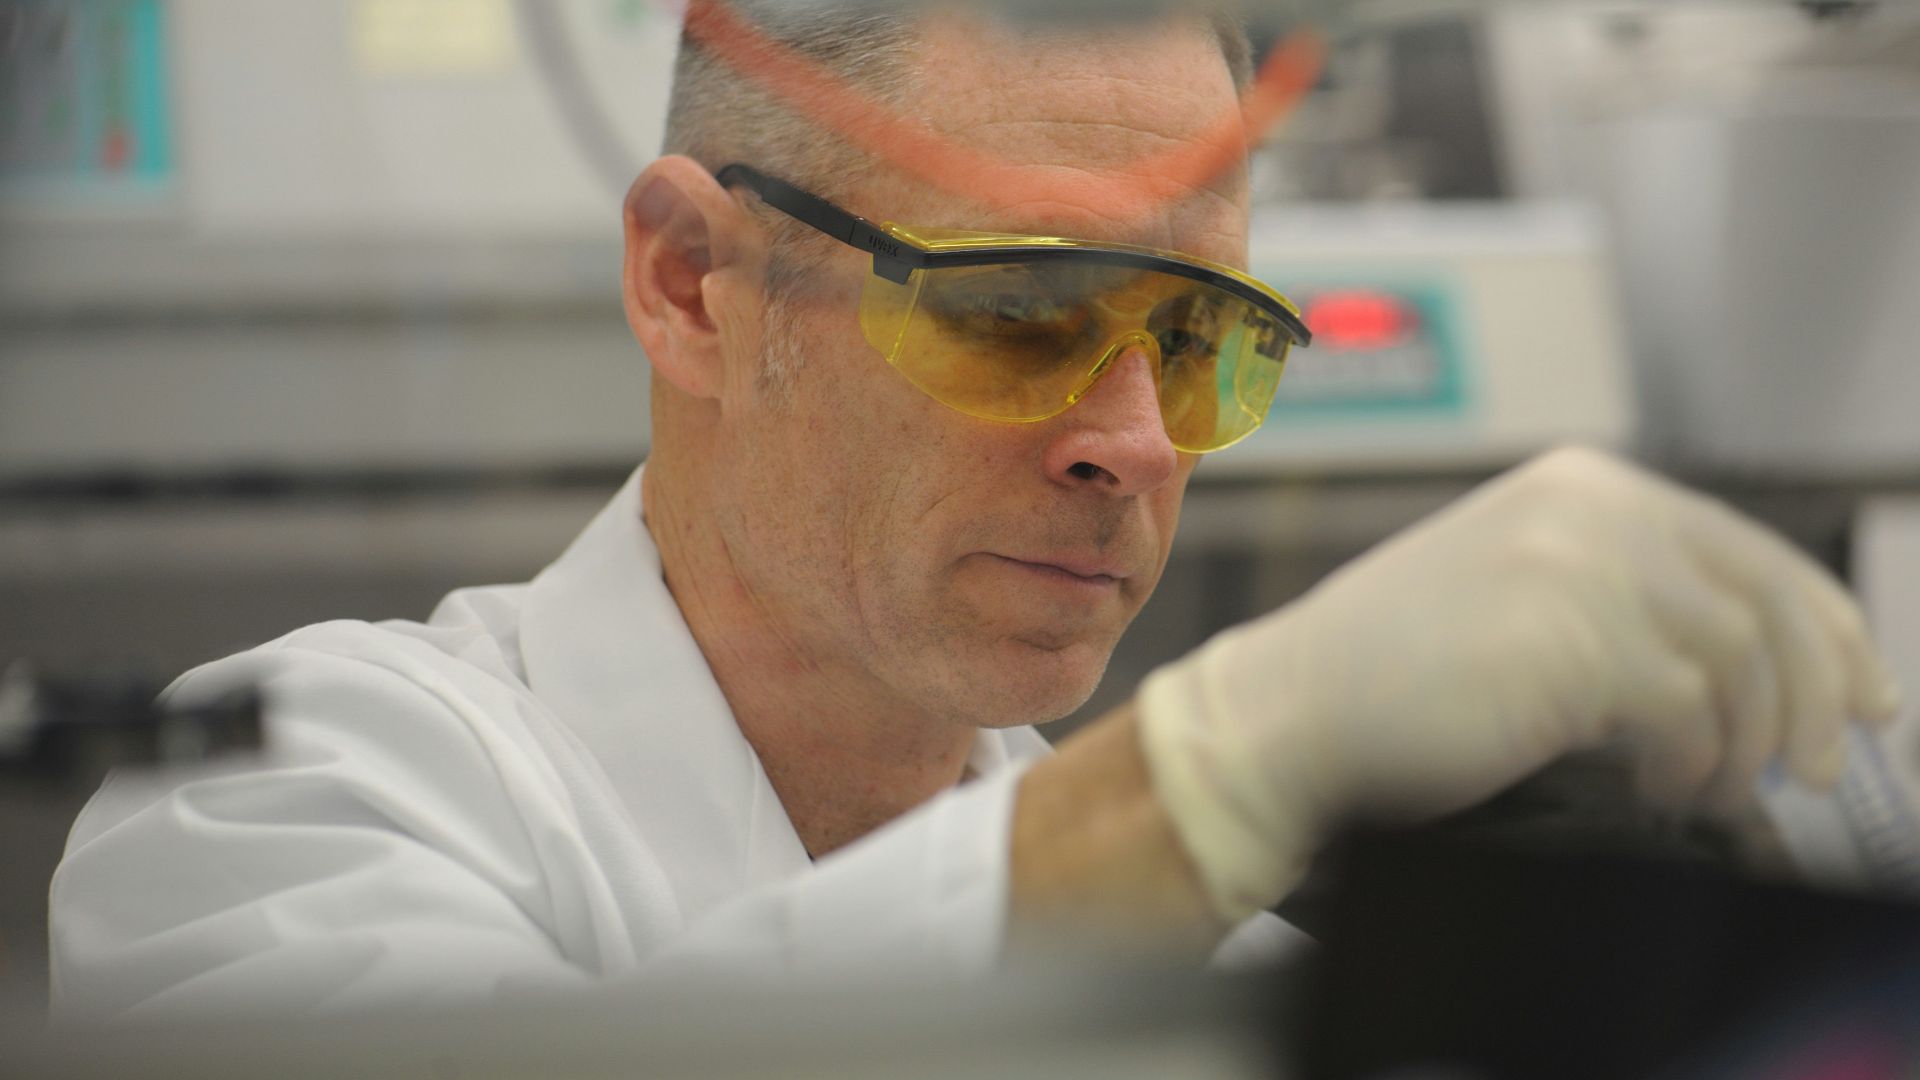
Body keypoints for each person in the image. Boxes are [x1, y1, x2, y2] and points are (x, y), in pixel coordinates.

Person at [50, 1, 1902, 1020]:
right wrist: (1215, 774)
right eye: (1018, 309)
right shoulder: (280, 807)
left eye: (1201, 341)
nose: (1135, 444)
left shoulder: (1223, 989)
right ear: (692, 283)